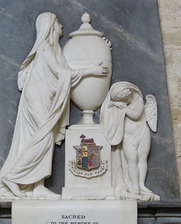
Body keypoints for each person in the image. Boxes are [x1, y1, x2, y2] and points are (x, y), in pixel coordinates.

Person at [0, 12, 108, 199]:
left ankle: (37, 186)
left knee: (42, 138)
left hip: (45, 98)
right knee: (44, 137)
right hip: (37, 98)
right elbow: (61, 73)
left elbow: (68, 70)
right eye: (58, 23)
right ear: (50, 27)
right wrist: (91, 70)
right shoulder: (45, 48)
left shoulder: (55, 48)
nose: (62, 27)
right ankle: (13, 176)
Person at [100, 82, 159, 201]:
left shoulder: (139, 103)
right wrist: (114, 103)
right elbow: (107, 109)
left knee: (142, 158)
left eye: (125, 98)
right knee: (132, 161)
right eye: (121, 99)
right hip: (127, 137)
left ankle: (141, 185)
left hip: (142, 134)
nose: (124, 101)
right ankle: (135, 188)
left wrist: (124, 108)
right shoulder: (119, 105)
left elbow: (136, 115)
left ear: (130, 94)